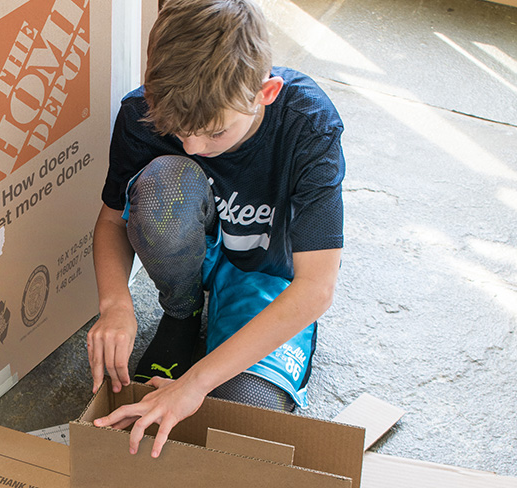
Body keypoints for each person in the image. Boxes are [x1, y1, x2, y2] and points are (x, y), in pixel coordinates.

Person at [86, 0, 345, 458]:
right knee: (166, 182)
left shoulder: (308, 125)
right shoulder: (141, 112)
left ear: (266, 92)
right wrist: (115, 305)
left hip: (265, 275)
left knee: (242, 420)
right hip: (188, 247)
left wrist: (192, 385)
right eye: (177, 129)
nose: (193, 146)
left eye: (214, 132)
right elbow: (111, 222)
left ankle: (208, 338)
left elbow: (316, 289)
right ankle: (182, 312)